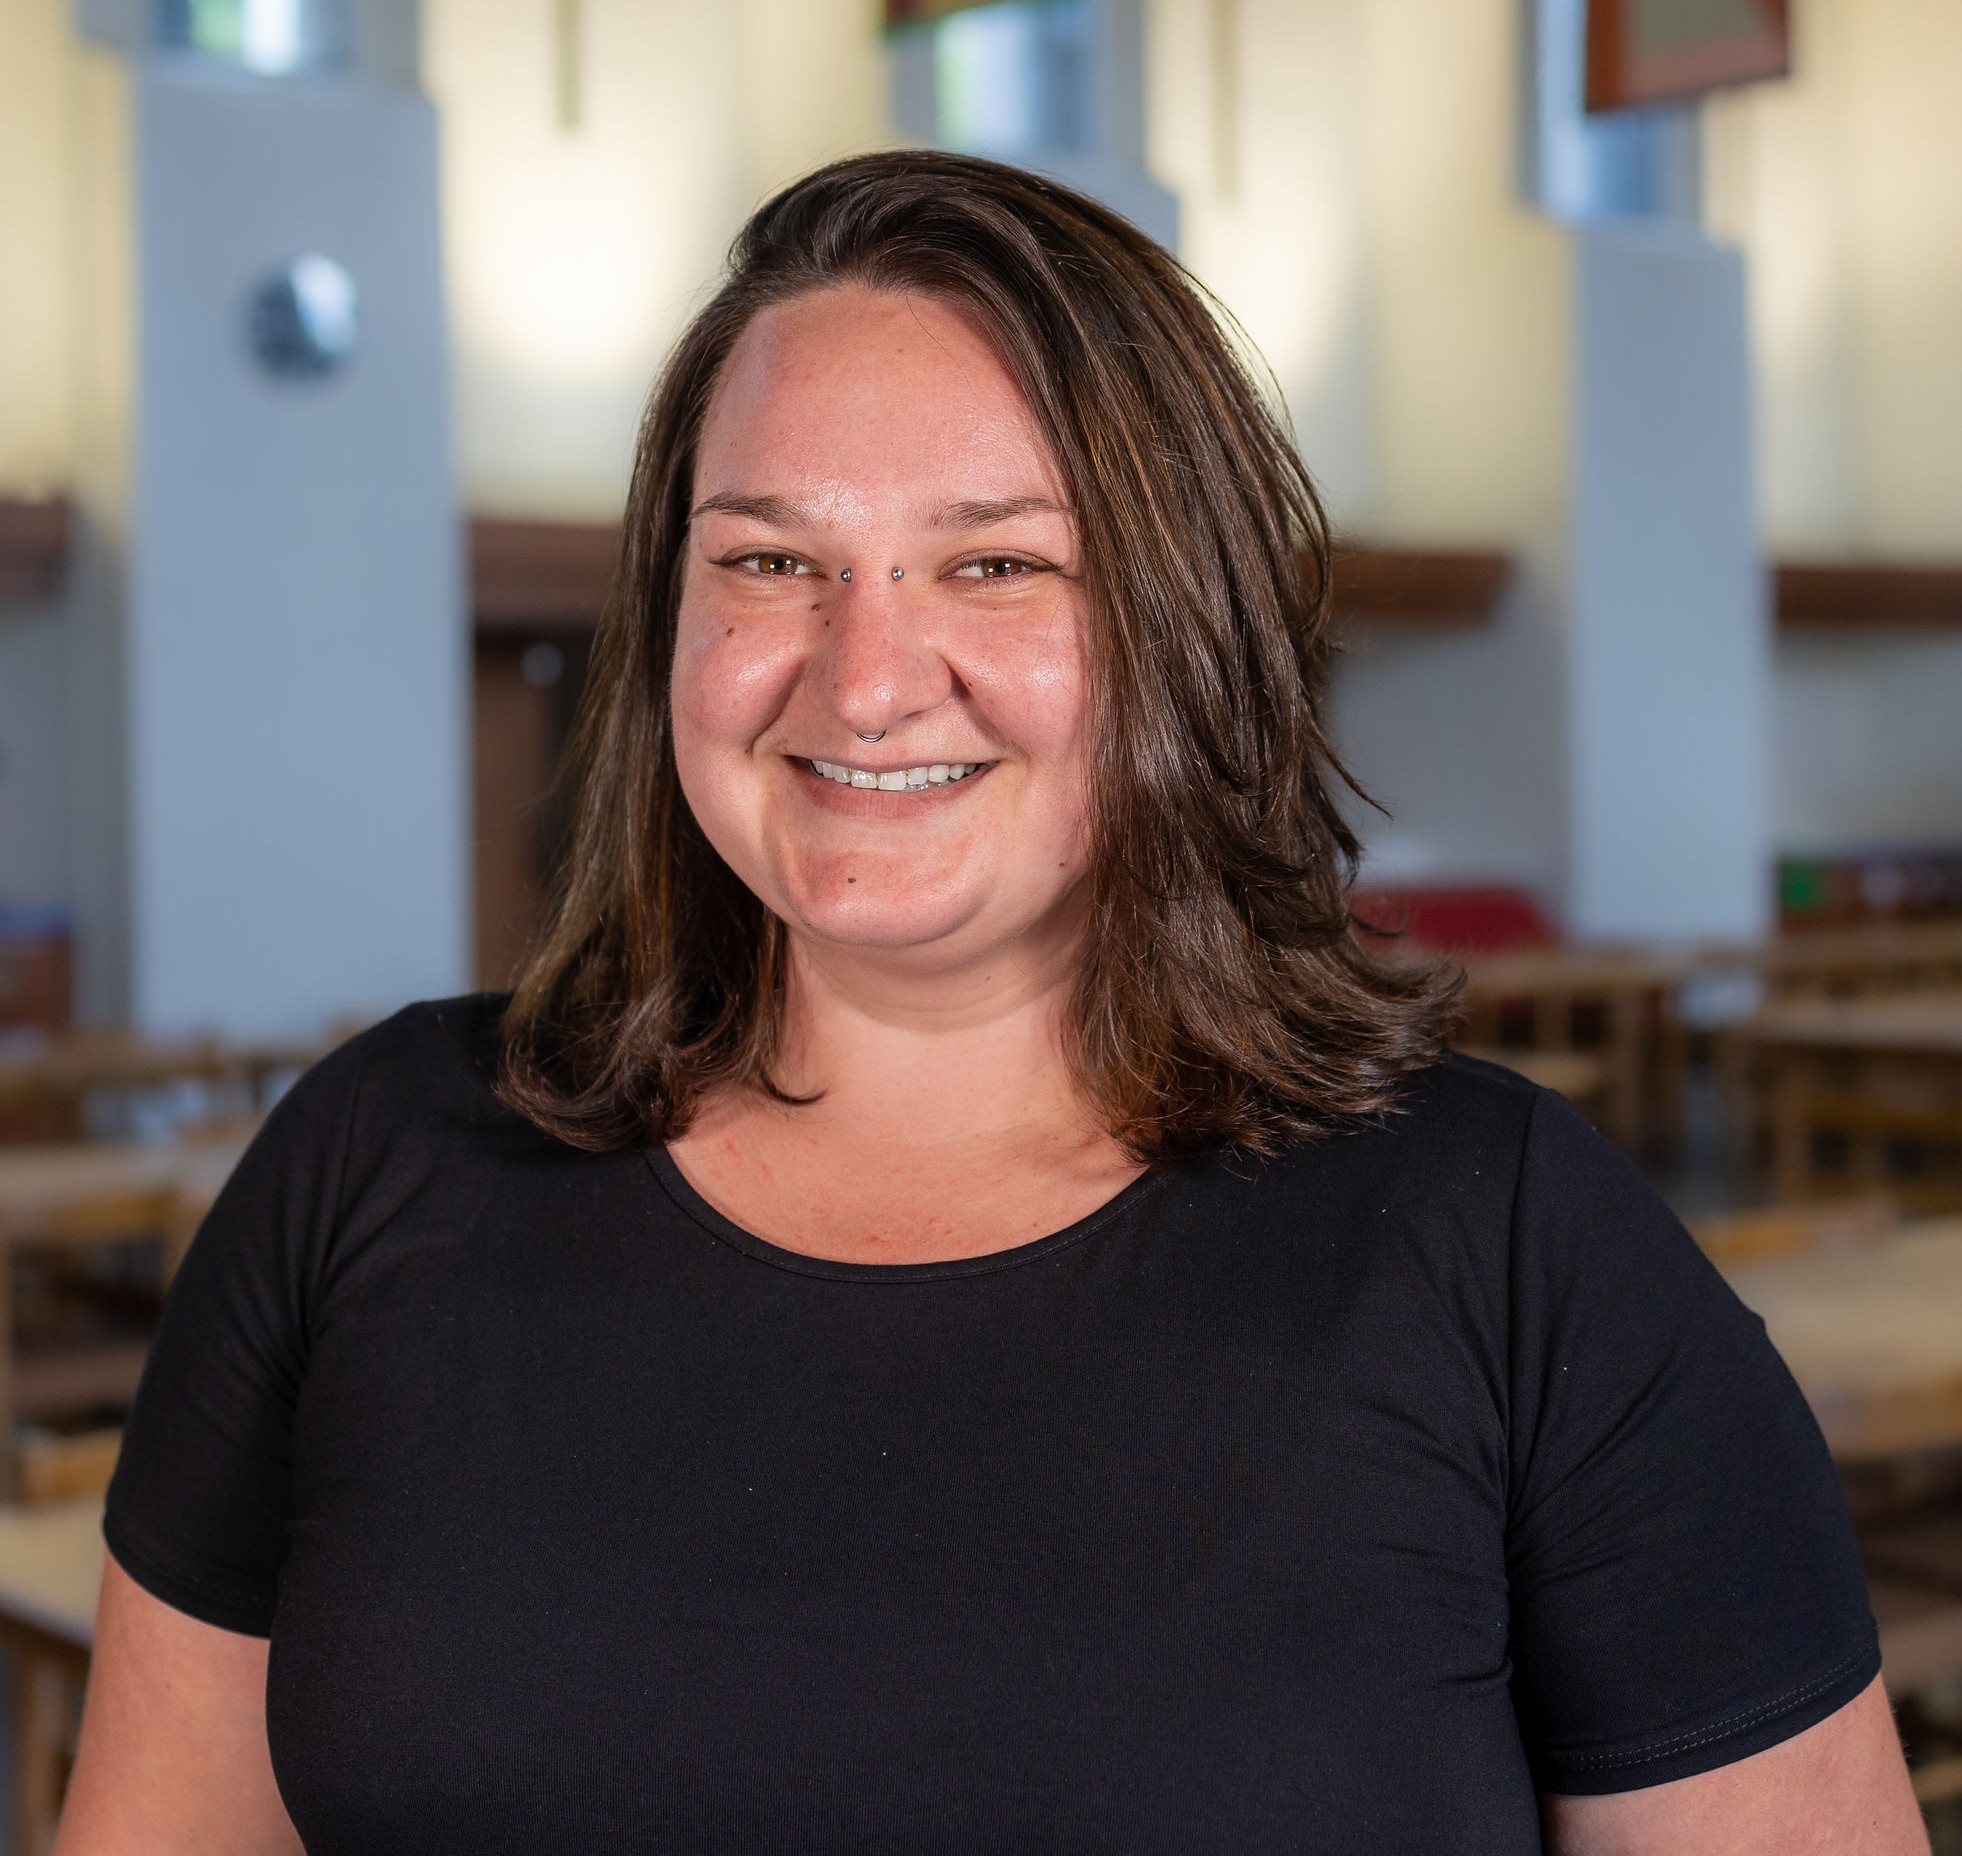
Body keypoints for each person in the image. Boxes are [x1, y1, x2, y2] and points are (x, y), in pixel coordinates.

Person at [60, 152, 1924, 1855]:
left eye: (996, 563)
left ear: (1185, 635)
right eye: (769, 560)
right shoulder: (372, 1168)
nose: (864, 680)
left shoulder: (1511, 1253)